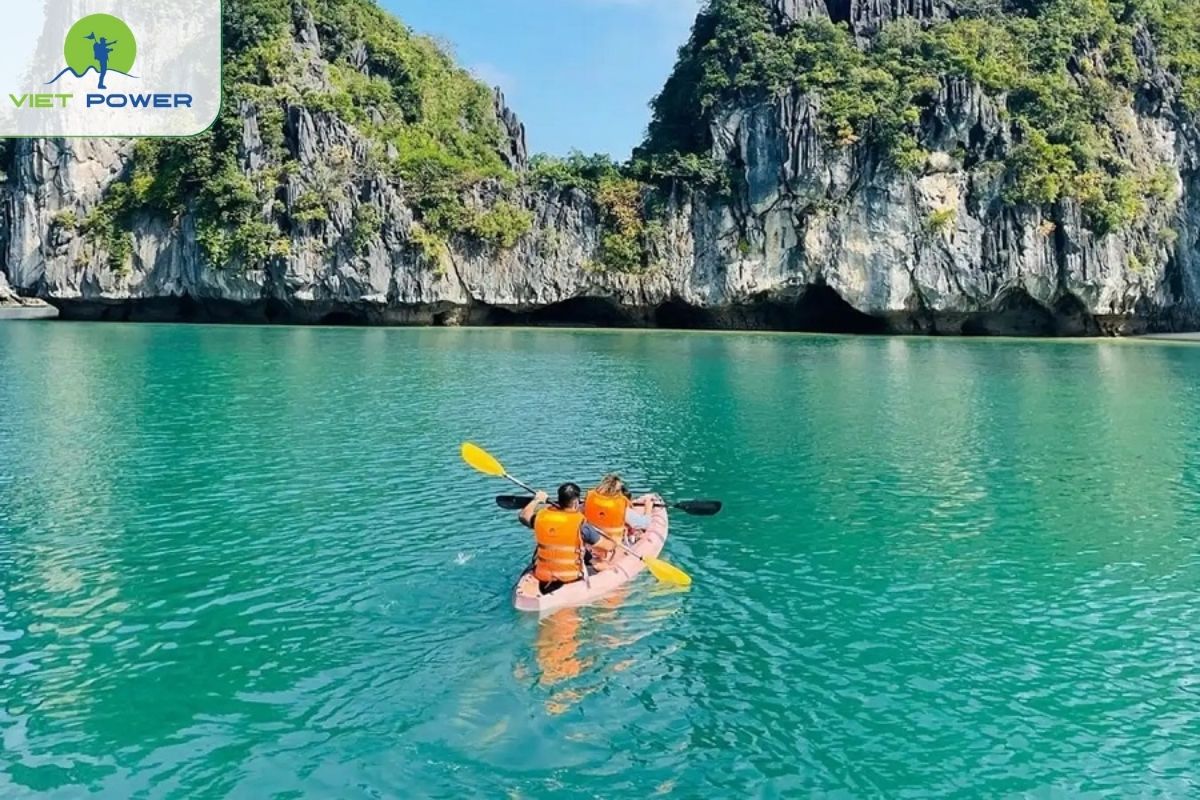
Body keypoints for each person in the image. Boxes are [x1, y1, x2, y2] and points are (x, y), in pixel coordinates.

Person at [518, 482, 602, 593]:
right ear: (576, 503)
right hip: (569, 577)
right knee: (604, 566)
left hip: (543, 576)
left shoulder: (542, 518)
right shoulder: (581, 524)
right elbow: (607, 546)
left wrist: (537, 500)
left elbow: (523, 516)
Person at [583, 473, 654, 558]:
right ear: (619, 491)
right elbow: (644, 524)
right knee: (637, 533)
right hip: (610, 547)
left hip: (590, 544)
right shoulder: (620, 507)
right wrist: (648, 507)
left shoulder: (590, 501)